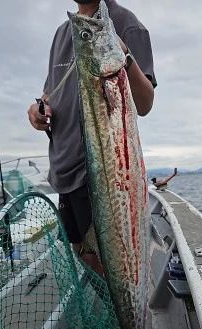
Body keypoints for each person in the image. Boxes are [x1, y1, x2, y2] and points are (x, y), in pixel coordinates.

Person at [27, 0, 156, 279]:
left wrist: (126, 58)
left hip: (102, 174)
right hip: (64, 167)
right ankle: (112, 317)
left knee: (107, 264)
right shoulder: (65, 31)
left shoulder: (126, 24)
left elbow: (145, 103)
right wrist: (39, 108)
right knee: (81, 253)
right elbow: (50, 91)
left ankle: (122, 320)